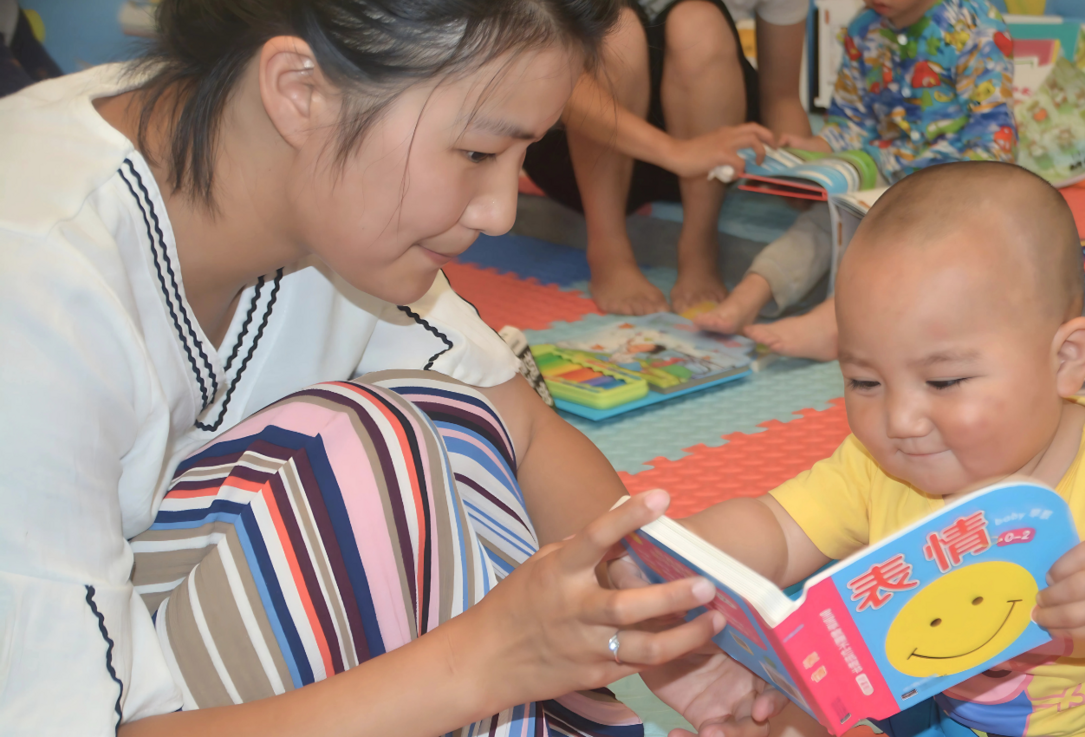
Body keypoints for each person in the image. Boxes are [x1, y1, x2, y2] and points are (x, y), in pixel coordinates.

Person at [0, 1, 789, 734]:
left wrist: (664, 618)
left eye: (519, 155)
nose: (499, 210)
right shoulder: (36, 279)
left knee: (459, 421)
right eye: (477, 151)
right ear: (298, 91)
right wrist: (488, 657)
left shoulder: (311, 200)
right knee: (366, 445)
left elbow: (523, 426)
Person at [620, 162, 1085, 737]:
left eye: (944, 380)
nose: (902, 418)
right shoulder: (882, 464)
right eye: (864, 380)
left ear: (1065, 360)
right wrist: (680, 559)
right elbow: (777, 524)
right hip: (937, 710)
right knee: (804, 692)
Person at [694, 0, 1017, 362]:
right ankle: (747, 297)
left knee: (907, 246)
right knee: (822, 223)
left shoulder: (974, 23)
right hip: (885, 168)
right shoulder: (864, 28)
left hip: (958, 176)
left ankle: (831, 325)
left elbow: (993, 131)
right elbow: (850, 123)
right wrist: (813, 147)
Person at [523, 0, 811, 316]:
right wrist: (676, 152)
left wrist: (804, 170)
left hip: (707, 159)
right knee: (617, 27)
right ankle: (609, 250)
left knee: (698, 22)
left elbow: (782, 97)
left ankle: (699, 248)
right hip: (575, 153)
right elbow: (553, 76)